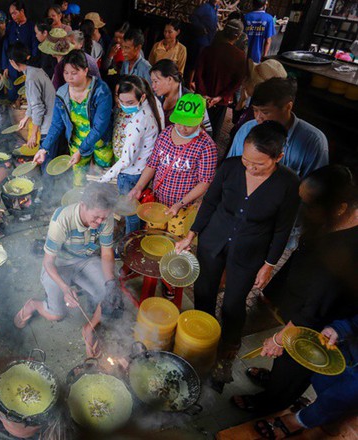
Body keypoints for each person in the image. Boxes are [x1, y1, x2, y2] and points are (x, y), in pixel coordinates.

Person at [175, 121, 300, 385]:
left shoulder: (288, 183)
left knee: (233, 303)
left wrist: (268, 265)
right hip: (214, 239)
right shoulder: (231, 167)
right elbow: (209, 203)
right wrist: (190, 235)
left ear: (278, 157)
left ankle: (226, 353)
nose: (250, 167)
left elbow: (282, 229)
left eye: (259, 164)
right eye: (246, 160)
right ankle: (201, 341)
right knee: (204, 292)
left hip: (251, 248)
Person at [230, 165, 358, 415]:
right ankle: (276, 380)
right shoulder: (333, 216)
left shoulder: (346, 253)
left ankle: (272, 402)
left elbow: (314, 310)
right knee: (285, 355)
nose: (303, 211)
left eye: (310, 206)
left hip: (324, 322)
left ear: (340, 208)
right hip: (306, 303)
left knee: (297, 362)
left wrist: (280, 338)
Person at [12, 182, 123, 358]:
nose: (100, 222)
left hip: (85, 261)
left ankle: (88, 328)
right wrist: (65, 288)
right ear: (83, 205)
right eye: (96, 218)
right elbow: (48, 263)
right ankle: (33, 304)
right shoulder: (61, 220)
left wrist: (110, 284)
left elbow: (107, 253)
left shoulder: (105, 217)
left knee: (110, 293)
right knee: (56, 315)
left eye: (104, 218)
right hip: (59, 265)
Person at [253, 314, 358, 438]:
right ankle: (283, 388)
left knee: (337, 400)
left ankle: (297, 421)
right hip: (350, 351)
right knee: (321, 378)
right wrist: (340, 329)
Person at [128, 94, 217, 237]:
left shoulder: (206, 146)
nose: (182, 128)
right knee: (153, 235)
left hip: (184, 206)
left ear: (200, 120)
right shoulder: (165, 134)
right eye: (179, 122)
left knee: (174, 238)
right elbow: (152, 164)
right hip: (158, 201)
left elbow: (204, 182)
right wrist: (138, 187)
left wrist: (179, 204)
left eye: (188, 124)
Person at [34, 50, 113, 187]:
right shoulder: (62, 93)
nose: (69, 77)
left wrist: (82, 150)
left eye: (74, 73)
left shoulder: (100, 90)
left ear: (85, 70)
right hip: (76, 145)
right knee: (79, 181)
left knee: (102, 180)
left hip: (101, 143)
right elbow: (57, 124)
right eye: (66, 73)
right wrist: (44, 148)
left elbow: (99, 127)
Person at [99, 76, 164, 233]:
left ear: (141, 96)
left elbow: (126, 160)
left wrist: (104, 178)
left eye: (129, 103)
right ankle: (136, 235)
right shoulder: (153, 101)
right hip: (144, 171)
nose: (124, 107)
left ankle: (130, 241)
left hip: (131, 174)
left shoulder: (138, 122)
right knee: (138, 208)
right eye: (122, 102)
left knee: (131, 213)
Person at [228, 78, 328, 179]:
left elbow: (312, 190)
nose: (258, 118)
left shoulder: (313, 142)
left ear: (288, 107)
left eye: (265, 112)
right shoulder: (246, 130)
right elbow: (231, 168)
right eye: (255, 110)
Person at [194, 19, 247, 141]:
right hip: (220, 102)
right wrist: (220, 97)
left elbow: (198, 74)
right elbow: (237, 82)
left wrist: (203, 95)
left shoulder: (208, 50)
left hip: (202, 99)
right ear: (238, 36)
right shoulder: (240, 56)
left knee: (196, 127)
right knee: (213, 131)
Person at [9, 42, 56, 147]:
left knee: (46, 161)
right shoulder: (35, 70)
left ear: (13, 62)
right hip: (53, 123)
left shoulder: (31, 78)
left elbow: (38, 108)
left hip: (49, 127)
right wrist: (26, 118)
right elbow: (33, 103)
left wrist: (34, 135)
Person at [150, 59, 213, 136]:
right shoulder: (156, 98)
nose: (153, 86)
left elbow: (208, 132)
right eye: (152, 82)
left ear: (169, 79)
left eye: (156, 81)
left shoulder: (192, 102)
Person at [231, 59, 287, 138]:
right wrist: (242, 100)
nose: (245, 82)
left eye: (250, 79)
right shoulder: (255, 105)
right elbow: (236, 121)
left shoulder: (262, 115)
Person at [1, 1, 38, 100]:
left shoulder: (31, 26)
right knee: (12, 91)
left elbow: (35, 46)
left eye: (14, 13)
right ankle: (14, 114)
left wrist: (32, 65)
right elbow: (5, 45)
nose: (12, 16)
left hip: (26, 65)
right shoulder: (10, 26)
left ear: (22, 11)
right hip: (12, 65)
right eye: (11, 14)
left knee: (26, 92)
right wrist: (5, 67)